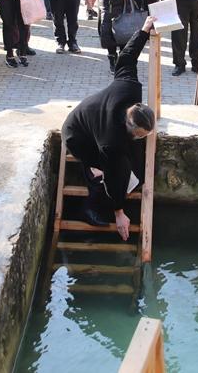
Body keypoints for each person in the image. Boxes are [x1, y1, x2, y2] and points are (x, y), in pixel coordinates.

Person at [61, 15, 156, 237]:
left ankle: (117, 184)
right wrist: (119, 212)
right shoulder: (111, 142)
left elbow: (127, 57)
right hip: (78, 135)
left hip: (95, 121)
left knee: (135, 167)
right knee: (108, 171)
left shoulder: (130, 87)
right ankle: (91, 206)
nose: (143, 138)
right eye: (141, 135)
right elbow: (115, 176)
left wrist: (143, 31)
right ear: (130, 127)